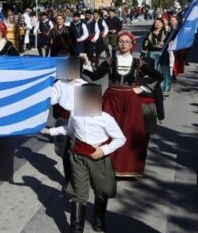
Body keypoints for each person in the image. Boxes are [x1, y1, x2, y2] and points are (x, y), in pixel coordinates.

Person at [41, 85, 127, 233]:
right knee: (78, 194)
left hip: (98, 159)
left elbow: (120, 139)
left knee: (103, 190)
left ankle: (99, 218)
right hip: (78, 158)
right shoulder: (75, 114)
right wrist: (49, 132)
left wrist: (103, 150)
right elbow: (69, 129)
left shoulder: (106, 118)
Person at [82, 31, 163, 177]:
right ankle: (104, 165)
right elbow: (95, 77)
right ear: (117, 43)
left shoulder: (138, 62)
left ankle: (126, 168)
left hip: (130, 100)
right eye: (121, 41)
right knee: (105, 131)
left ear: (132, 44)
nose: (124, 44)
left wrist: (143, 88)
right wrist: (86, 64)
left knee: (129, 132)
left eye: (127, 41)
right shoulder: (110, 61)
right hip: (111, 99)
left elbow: (159, 76)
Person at [50, 58, 87, 188]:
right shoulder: (59, 83)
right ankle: (67, 181)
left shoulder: (85, 84)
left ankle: (77, 182)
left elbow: (92, 111)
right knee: (64, 153)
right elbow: (52, 101)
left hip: (79, 122)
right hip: (63, 121)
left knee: (76, 153)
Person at [141, 18, 170, 94]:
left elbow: (175, 35)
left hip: (162, 54)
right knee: (152, 71)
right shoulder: (150, 34)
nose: (157, 23)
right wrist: (143, 55)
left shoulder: (167, 33)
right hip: (151, 54)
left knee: (163, 70)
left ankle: (164, 89)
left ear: (163, 24)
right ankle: (152, 87)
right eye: (156, 22)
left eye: (159, 22)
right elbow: (145, 45)